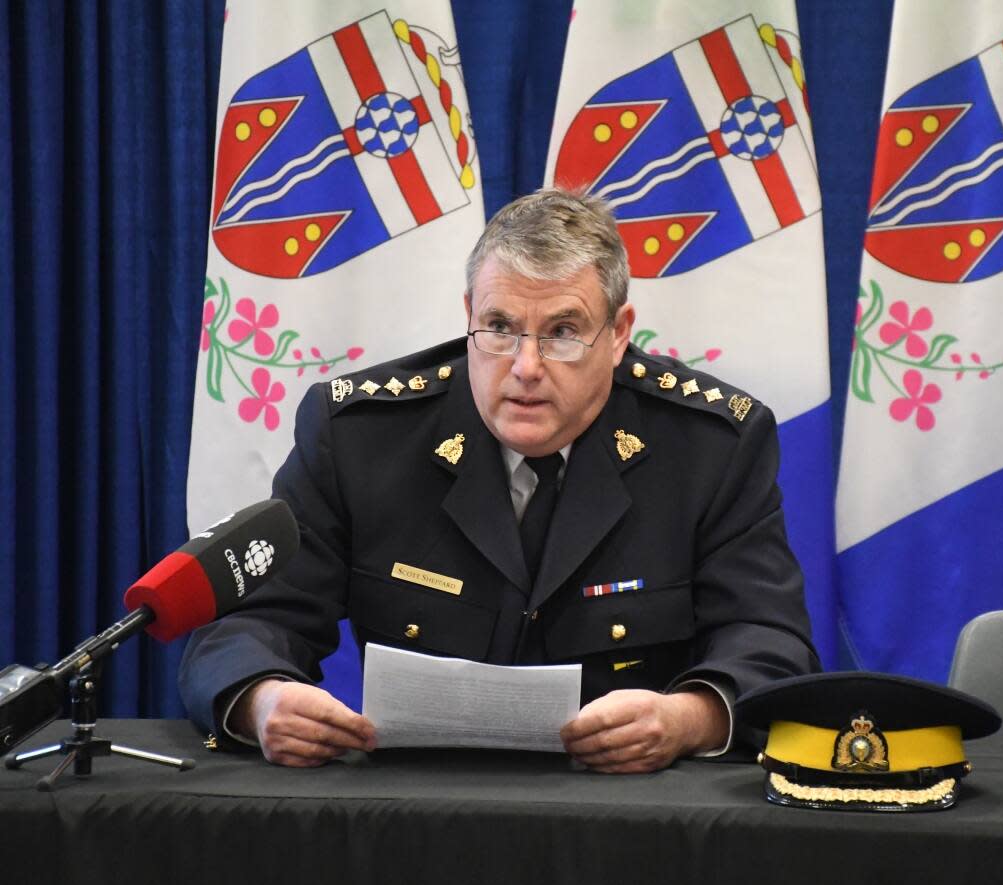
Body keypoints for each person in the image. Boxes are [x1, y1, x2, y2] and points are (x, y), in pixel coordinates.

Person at [180, 188, 818, 772]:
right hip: (416, 813)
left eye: (563, 332)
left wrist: (687, 719)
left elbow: (768, 639)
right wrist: (263, 700)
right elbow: (251, 622)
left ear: (619, 334)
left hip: (630, 815)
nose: (526, 367)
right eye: (501, 328)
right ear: (469, 316)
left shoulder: (710, 447)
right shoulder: (360, 437)